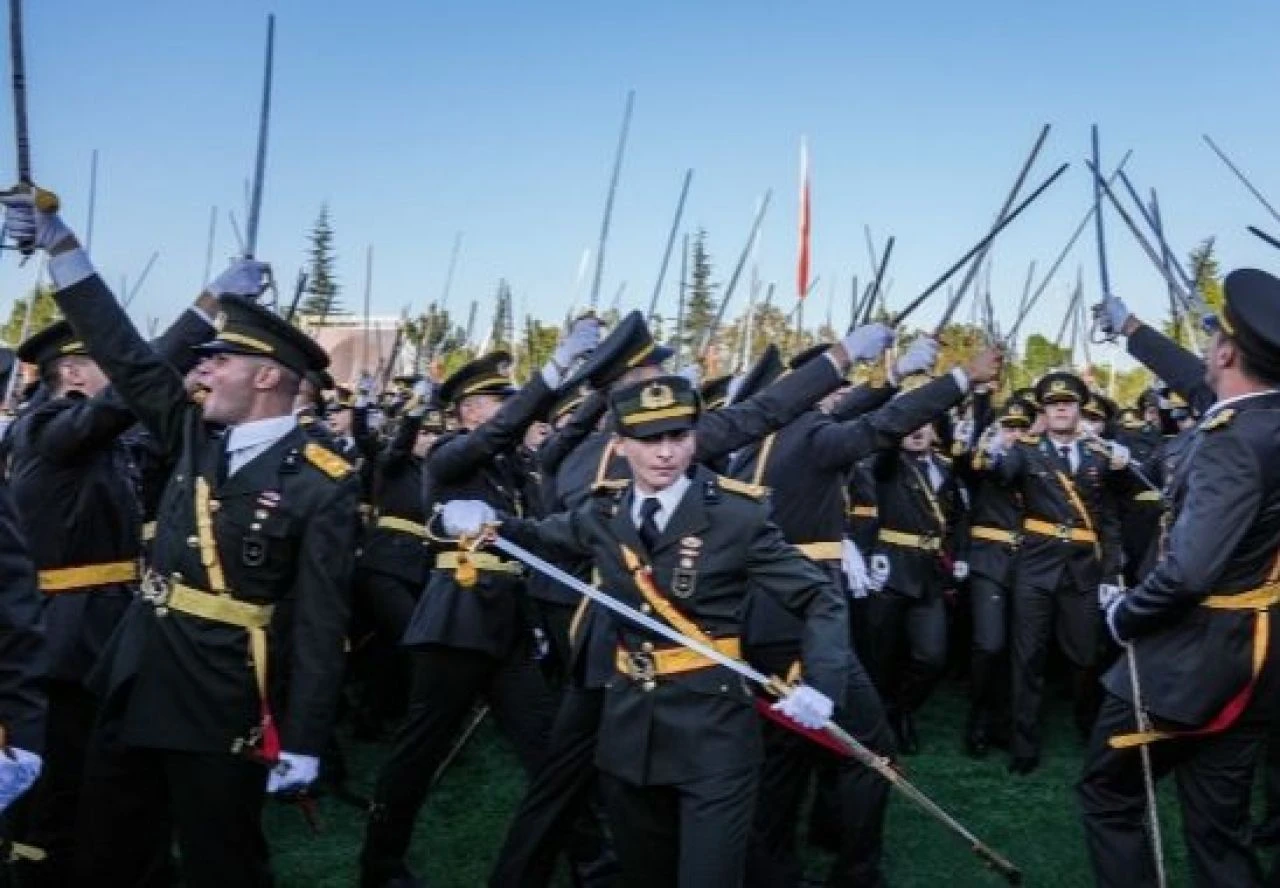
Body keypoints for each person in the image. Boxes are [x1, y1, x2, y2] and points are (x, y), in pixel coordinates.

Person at [0, 185, 361, 888]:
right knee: (111, 846)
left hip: (222, 694)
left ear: (265, 376)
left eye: (220, 361)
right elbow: (131, 358)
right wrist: (60, 245)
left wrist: (307, 737)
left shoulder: (322, 478)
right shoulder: (193, 433)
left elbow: (321, 619)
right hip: (135, 674)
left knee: (219, 856)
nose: (203, 370)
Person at [444, 373, 848, 887]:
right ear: (619, 446)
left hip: (714, 729)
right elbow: (541, 536)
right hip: (629, 727)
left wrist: (822, 682)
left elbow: (819, 596)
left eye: (678, 436)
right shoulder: (603, 512)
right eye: (649, 439)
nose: (666, 454)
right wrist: (487, 519)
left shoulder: (735, 516)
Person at [728, 339, 1002, 886]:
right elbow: (881, 427)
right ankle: (856, 873)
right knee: (871, 747)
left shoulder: (759, 433)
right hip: (801, 619)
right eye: (837, 381)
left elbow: (853, 412)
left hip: (761, 613)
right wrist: (959, 380)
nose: (846, 389)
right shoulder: (812, 437)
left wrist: (896, 371)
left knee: (786, 748)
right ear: (813, 391)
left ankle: (770, 867)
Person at [359, 323, 600, 888]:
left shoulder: (512, 471)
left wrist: (602, 387)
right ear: (468, 411)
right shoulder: (450, 455)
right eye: (499, 399)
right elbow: (504, 432)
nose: (511, 409)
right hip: (457, 620)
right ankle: (381, 863)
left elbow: (538, 516)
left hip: (509, 622)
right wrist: (554, 369)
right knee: (419, 751)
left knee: (547, 747)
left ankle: (592, 857)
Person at [1078, 269, 1280, 887]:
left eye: (1212, 338)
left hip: (1189, 661)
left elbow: (1188, 574)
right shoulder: (1262, 420)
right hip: (1258, 655)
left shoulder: (1231, 442)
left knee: (1108, 796)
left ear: (1225, 351)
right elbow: (1203, 387)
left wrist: (1124, 615)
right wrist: (1133, 329)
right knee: (1218, 829)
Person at [980, 369, 1125, 774]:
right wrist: (992, 447)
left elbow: (1110, 521)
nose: (1061, 409)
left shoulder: (1100, 455)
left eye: (1069, 403)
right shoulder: (1026, 450)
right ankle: (1023, 746)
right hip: (1036, 566)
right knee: (1027, 657)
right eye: (1053, 404)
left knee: (1084, 657)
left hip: (1083, 569)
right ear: (1044, 411)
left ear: (1079, 409)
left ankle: (1087, 728)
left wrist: (1112, 575)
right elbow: (1000, 473)